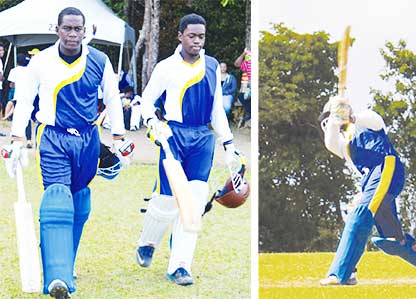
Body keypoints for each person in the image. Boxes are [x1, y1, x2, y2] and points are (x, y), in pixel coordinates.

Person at [1, 7, 134, 298]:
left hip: (87, 139)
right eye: (67, 28)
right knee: (58, 197)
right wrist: (16, 138)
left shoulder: (99, 60)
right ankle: (58, 278)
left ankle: (63, 262)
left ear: (85, 31)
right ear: (57, 29)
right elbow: (24, 101)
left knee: (79, 201)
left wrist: (120, 138)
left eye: (78, 29)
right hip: (52, 137)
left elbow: (112, 98)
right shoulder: (41, 61)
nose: (73, 34)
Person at [134, 13, 244, 286]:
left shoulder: (211, 66)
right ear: (180, 36)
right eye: (192, 35)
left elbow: (217, 107)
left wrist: (228, 143)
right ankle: (147, 242)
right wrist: (153, 124)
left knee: (193, 202)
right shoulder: (166, 67)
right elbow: (146, 101)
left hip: (202, 137)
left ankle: (180, 266)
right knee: (168, 198)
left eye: (201, 36)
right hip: (173, 135)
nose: (197, 41)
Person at [318, 97, 416, 286]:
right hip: (371, 181)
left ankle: (341, 274)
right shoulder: (343, 145)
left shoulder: (365, 121)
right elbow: (330, 142)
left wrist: (351, 117)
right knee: (391, 238)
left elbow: (376, 120)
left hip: (386, 168)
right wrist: (334, 120)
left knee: (360, 215)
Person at [4, 52, 34, 147]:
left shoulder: (14, 71)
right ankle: (29, 140)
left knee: (17, 118)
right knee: (27, 118)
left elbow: (12, 84)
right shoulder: (30, 71)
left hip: (18, 97)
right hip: (29, 97)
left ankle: (15, 139)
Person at [234, 48, 250, 127]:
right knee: (241, 96)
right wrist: (244, 54)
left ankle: (249, 112)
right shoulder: (247, 63)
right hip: (247, 84)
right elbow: (236, 64)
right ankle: (250, 111)